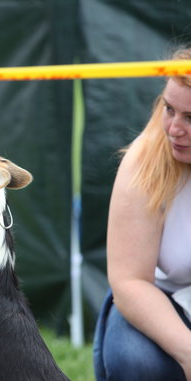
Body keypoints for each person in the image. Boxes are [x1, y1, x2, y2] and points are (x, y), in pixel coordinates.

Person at [93, 47, 191, 381]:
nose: (174, 129)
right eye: (169, 109)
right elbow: (130, 281)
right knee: (137, 361)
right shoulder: (144, 161)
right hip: (157, 297)